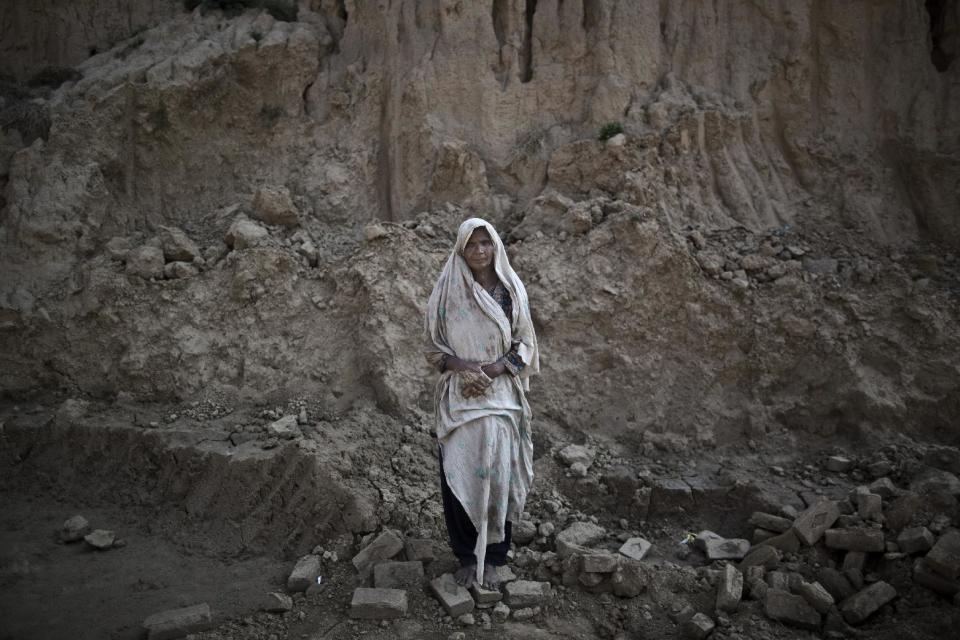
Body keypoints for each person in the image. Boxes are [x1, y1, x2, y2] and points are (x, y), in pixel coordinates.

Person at [424, 217, 539, 590]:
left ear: (495, 247)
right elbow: (432, 349)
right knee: (458, 474)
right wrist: (462, 367)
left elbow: (525, 345)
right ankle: (464, 556)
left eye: (485, 243)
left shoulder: (510, 289)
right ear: (461, 249)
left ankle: (494, 557)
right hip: (460, 396)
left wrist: (491, 370)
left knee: (497, 475)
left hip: (501, 394)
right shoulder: (447, 291)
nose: (479, 251)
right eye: (471, 245)